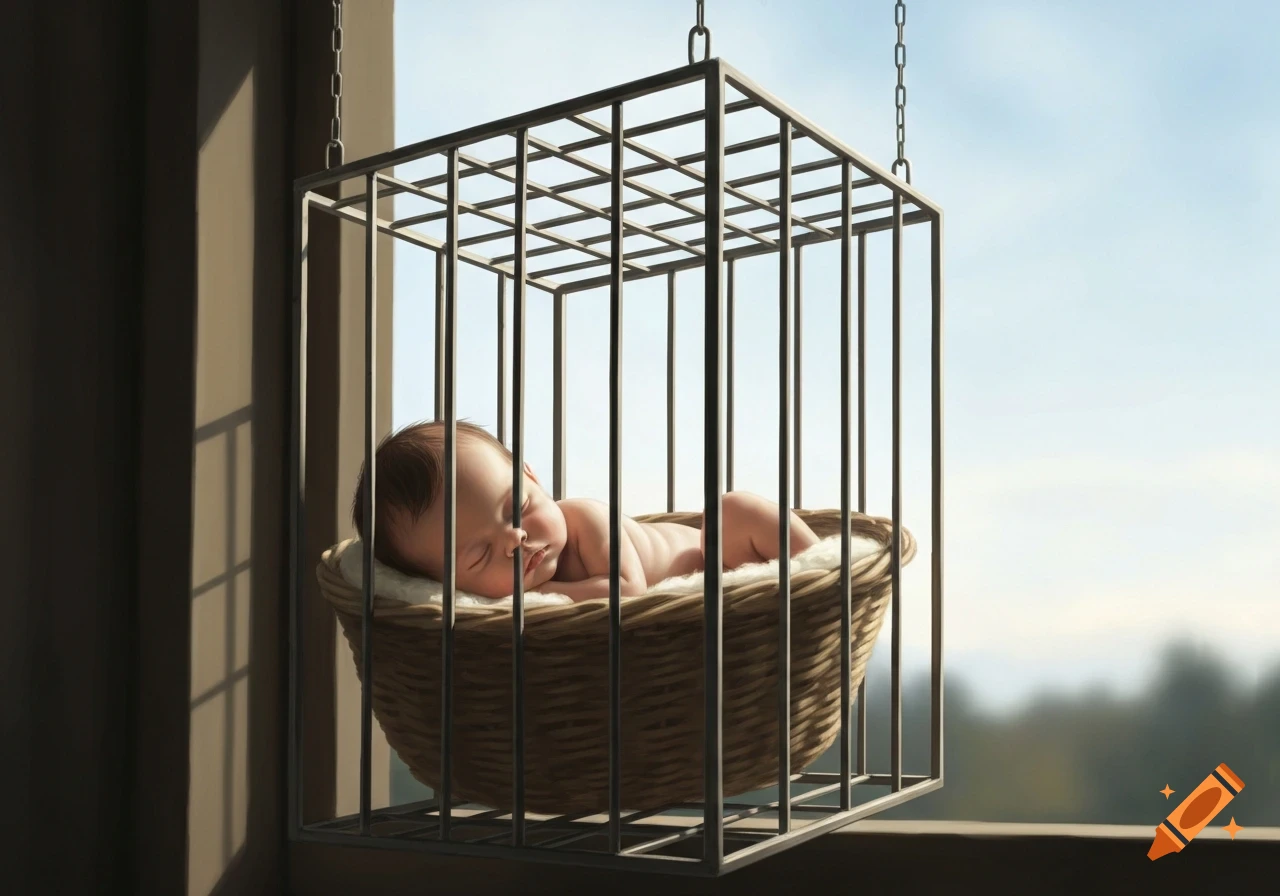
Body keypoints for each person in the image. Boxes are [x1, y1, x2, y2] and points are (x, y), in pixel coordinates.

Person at [351, 420, 820, 602]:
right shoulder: (485, 607)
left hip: (719, 555)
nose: (515, 539)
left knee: (732, 509)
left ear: (532, 477)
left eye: (517, 508)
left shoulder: (584, 519)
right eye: (478, 556)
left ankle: (828, 576)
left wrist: (536, 598)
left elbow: (629, 590)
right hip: (703, 624)